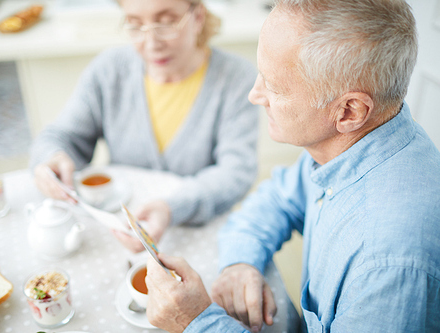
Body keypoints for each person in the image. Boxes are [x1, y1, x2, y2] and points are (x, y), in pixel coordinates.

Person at [145, 0, 440, 332]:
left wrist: (196, 322)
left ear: (349, 111)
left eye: (274, 85)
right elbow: (274, 200)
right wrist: (240, 263)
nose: (255, 95)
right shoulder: (349, 144)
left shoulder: (390, 263)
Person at [30, 0, 259, 252]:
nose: (151, 44)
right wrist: (51, 157)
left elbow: (236, 171)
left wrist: (172, 208)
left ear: (197, 17)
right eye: (135, 24)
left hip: (196, 233)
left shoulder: (237, 79)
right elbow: (61, 136)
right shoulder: (108, 70)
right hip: (120, 232)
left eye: (166, 22)